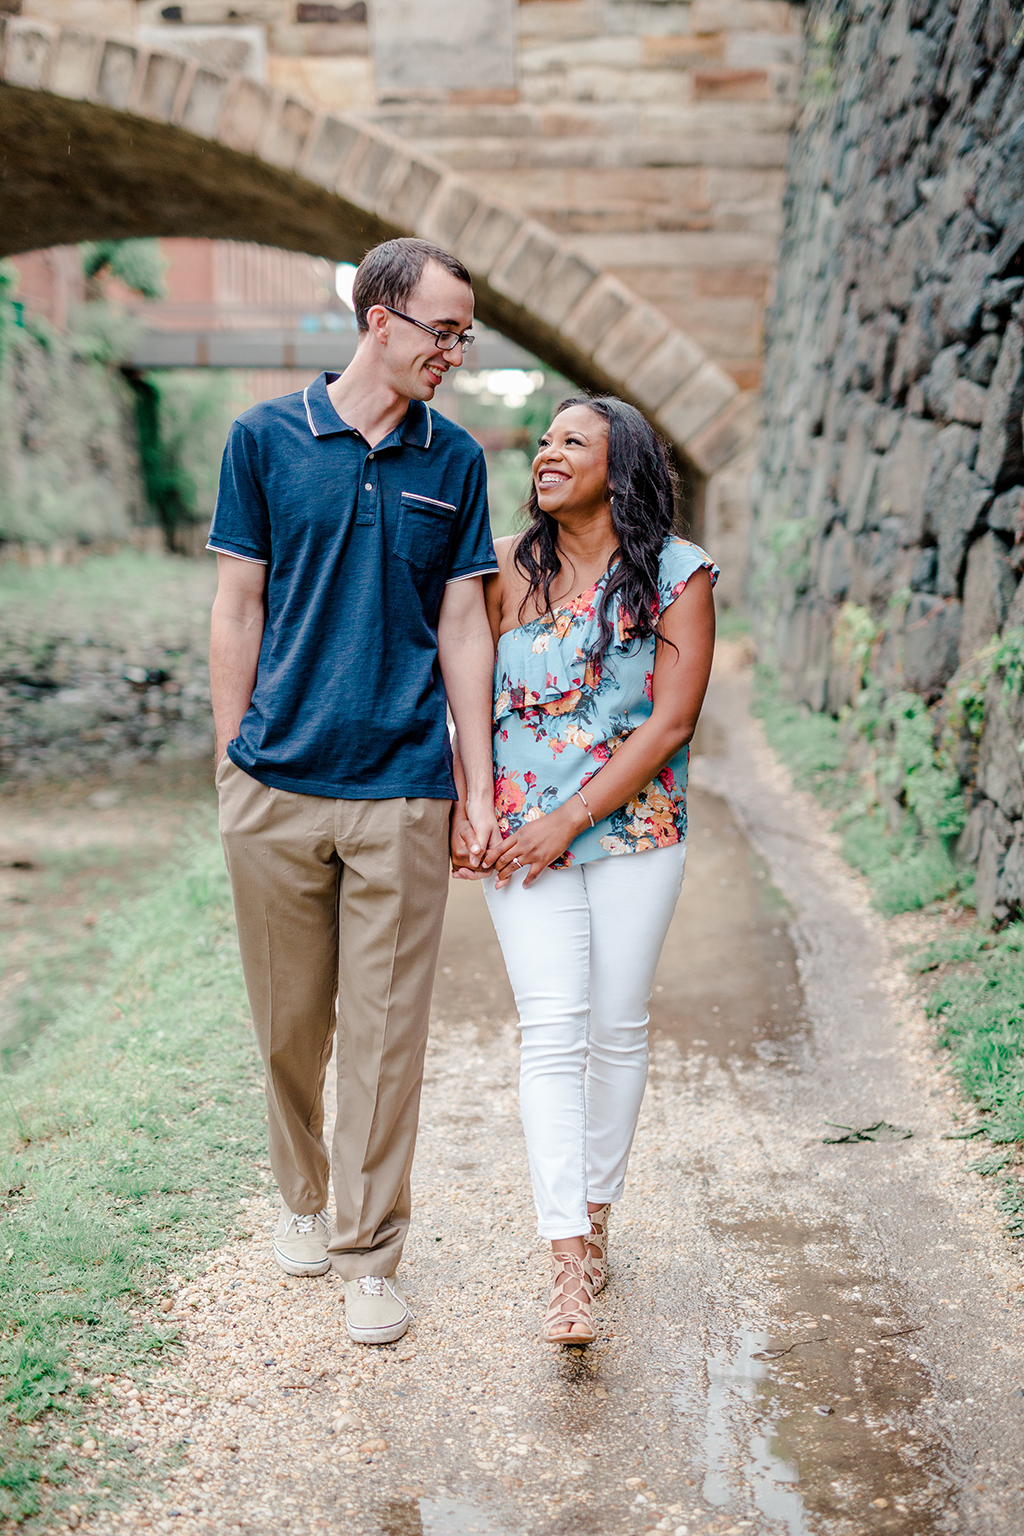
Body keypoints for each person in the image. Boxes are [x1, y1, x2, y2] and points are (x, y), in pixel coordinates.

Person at [208, 237, 501, 1346]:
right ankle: (299, 1194)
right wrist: (235, 757)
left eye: (465, 336)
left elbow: (462, 623)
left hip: (403, 787)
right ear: (378, 316)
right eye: (442, 330)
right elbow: (239, 605)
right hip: (277, 785)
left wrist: (472, 785)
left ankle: (369, 1251)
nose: (455, 353)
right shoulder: (265, 438)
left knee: (387, 1039)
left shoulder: (455, 460)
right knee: (291, 1028)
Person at [451, 396, 717, 1344]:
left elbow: (670, 723)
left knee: (617, 1025)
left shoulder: (676, 576)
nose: (548, 454)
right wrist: (471, 800)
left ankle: (598, 1219)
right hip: (522, 839)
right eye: (546, 440)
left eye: (575, 442)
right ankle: (567, 1261)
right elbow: (463, 690)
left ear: (623, 466)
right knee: (552, 1030)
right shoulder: (499, 573)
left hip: (635, 828)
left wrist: (572, 816)